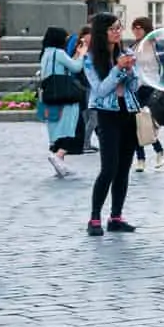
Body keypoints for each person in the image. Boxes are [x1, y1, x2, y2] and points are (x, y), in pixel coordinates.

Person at [82, 13, 143, 236]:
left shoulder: (126, 52)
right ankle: (94, 217)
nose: (118, 32)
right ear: (102, 32)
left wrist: (131, 71)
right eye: (112, 29)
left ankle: (116, 216)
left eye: (119, 27)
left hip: (127, 112)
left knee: (124, 167)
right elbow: (100, 90)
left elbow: (135, 86)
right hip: (107, 115)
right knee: (109, 168)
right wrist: (118, 69)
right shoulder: (90, 59)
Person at [36, 25, 82, 178]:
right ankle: (58, 155)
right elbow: (76, 67)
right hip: (65, 96)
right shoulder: (59, 53)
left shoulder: (45, 54)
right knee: (69, 126)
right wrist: (81, 54)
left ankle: (59, 161)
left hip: (50, 95)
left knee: (56, 127)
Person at [130, 17, 164, 170]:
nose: (136, 31)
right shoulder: (133, 47)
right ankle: (141, 158)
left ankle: (159, 152)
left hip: (151, 87)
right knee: (135, 123)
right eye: (134, 28)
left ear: (146, 29)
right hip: (135, 88)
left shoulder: (156, 46)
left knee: (146, 122)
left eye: (139, 28)